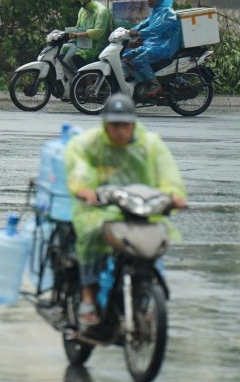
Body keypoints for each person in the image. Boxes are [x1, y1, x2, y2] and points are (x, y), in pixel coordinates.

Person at [64, 94, 187, 327]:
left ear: (133, 124)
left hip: (140, 207)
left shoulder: (149, 144)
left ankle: (150, 295)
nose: (120, 131)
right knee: (90, 233)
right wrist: (84, 189)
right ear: (105, 125)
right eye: (114, 125)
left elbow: (167, 171)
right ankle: (88, 294)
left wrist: (174, 195)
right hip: (101, 206)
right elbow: (78, 163)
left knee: (154, 245)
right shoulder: (91, 143)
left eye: (124, 125)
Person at [123, 0, 180, 98]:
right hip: (153, 44)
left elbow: (157, 29)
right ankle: (142, 82)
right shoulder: (156, 11)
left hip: (164, 46)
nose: (148, 0)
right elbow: (144, 23)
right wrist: (130, 30)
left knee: (138, 61)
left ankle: (154, 85)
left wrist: (139, 33)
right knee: (126, 57)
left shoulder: (168, 13)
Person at [61, 0, 113, 70]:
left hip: (96, 47)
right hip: (82, 43)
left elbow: (98, 33)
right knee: (62, 50)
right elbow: (78, 27)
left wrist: (77, 35)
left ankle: (87, 81)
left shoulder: (101, 11)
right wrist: (67, 33)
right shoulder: (82, 10)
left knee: (78, 56)